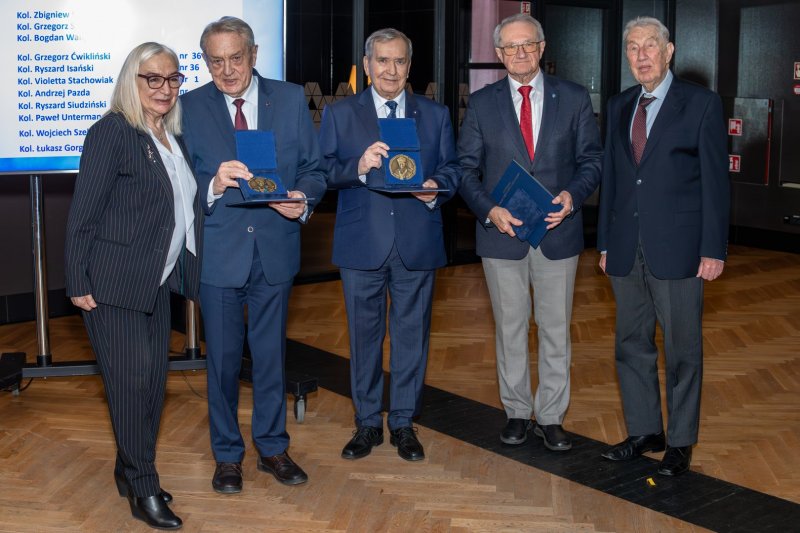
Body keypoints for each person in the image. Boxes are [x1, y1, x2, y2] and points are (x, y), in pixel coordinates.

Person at [180, 17, 327, 492]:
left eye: (235, 58)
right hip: (220, 253)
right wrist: (212, 185)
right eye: (215, 61)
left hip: (275, 249)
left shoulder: (288, 99)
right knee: (221, 362)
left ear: (254, 53)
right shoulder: (187, 107)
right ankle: (227, 456)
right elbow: (177, 183)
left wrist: (302, 200)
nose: (226, 70)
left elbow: (314, 169)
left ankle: (272, 448)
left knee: (270, 358)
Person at [65, 42, 201, 530]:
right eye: (153, 79)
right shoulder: (112, 132)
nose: (164, 88)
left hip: (155, 283)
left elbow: (180, 207)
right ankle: (144, 487)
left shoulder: (168, 135)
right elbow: (84, 213)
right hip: (111, 286)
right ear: (133, 81)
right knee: (129, 388)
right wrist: (77, 280)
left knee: (151, 390)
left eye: (172, 79)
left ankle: (129, 468)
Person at [458, 14, 601, 452]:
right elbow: (465, 170)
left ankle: (553, 417)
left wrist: (572, 197)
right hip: (503, 236)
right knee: (510, 328)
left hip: (559, 233)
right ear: (499, 55)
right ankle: (518, 412)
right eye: (511, 47)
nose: (520, 53)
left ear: (542, 48)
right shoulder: (482, 104)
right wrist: (489, 210)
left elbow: (592, 160)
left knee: (556, 329)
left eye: (528, 45)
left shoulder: (574, 98)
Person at [318, 28, 460, 462]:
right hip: (363, 242)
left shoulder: (434, 115)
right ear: (367, 65)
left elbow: (455, 169)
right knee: (363, 338)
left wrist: (437, 186)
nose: (391, 70)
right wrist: (358, 167)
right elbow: (322, 171)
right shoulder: (341, 115)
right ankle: (366, 424)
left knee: (412, 337)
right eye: (382, 61)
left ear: (409, 67)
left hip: (416, 241)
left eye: (399, 61)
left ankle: (402, 423)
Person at [597, 16, 730, 476]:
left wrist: (713, 249)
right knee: (631, 344)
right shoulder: (619, 105)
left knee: (682, 350)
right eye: (633, 48)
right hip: (624, 246)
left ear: (668, 51)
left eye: (650, 46)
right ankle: (645, 431)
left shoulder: (701, 104)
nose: (641, 55)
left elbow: (716, 184)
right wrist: (603, 243)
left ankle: (680, 442)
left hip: (681, 249)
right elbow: (614, 178)